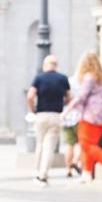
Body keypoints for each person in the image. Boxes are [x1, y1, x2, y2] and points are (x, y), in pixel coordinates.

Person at [64, 51, 102, 183]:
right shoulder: (101, 79)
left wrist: (67, 111)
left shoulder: (89, 77)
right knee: (90, 144)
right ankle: (86, 173)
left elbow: (81, 97)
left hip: (90, 115)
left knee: (85, 143)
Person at [26, 54, 71, 185]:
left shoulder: (39, 78)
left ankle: (36, 171)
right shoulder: (63, 79)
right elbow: (69, 97)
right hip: (56, 115)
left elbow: (30, 96)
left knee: (39, 143)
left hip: (41, 114)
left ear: (45, 65)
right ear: (55, 65)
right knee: (49, 146)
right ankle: (44, 174)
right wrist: (63, 104)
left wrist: (32, 109)